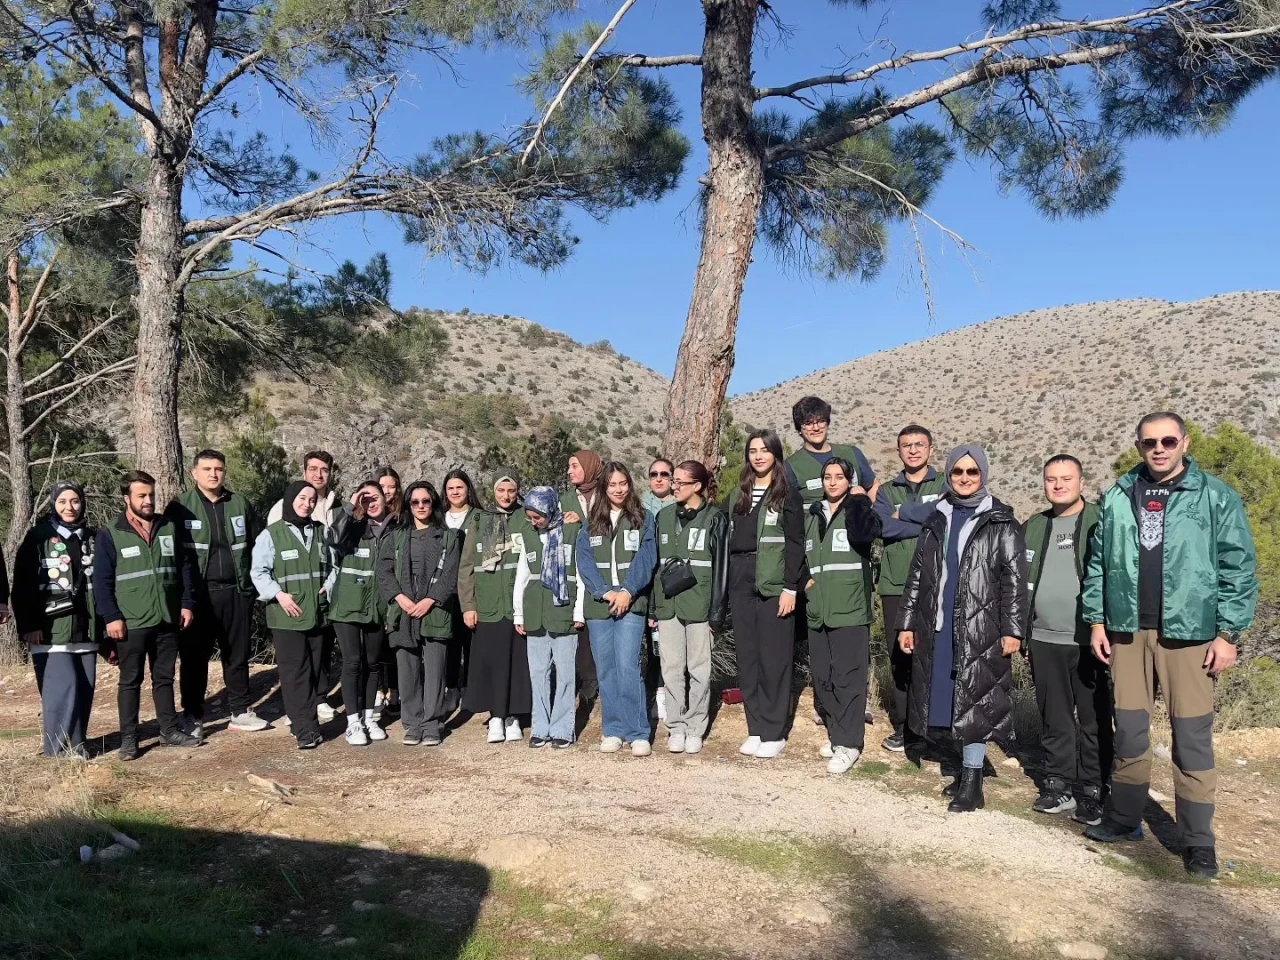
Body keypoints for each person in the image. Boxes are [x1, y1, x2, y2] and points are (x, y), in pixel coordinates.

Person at [1082, 413, 1257, 879]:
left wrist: (1228, 634)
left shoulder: (1215, 495)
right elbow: (1099, 561)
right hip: (1127, 631)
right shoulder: (1119, 495)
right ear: (1138, 446)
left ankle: (1198, 842)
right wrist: (1097, 619)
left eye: (1167, 441)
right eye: (1149, 443)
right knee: (1131, 733)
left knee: (1192, 739)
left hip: (1191, 634)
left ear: (1185, 442)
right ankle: (1123, 819)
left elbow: (1238, 567)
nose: (1158, 449)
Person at [896, 445, 1027, 813]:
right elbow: (918, 574)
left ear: (983, 474)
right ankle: (964, 769)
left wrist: (1012, 629)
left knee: (976, 703)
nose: (965, 478)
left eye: (972, 472)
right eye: (958, 472)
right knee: (950, 700)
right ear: (949, 475)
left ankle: (972, 783)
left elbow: (1014, 581)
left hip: (981, 629)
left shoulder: (1001, 521)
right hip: (937, 627)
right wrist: (906, 622)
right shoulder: (938, 518)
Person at [1022, 455, 1111, 826]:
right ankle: (1058, 783)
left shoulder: (1098, 523)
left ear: (1081, 482)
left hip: (1089, 640)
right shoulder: (1034, 527)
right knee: (1055, 717)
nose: (1058, 485)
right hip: (1043, 638)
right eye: (1051, 479)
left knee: (1093, 719)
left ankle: (1093, 790)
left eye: (1066, 478)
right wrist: (1022, 633)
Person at [94, 471, 199, 760]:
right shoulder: (110, 533)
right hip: (131, 621)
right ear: (126, 498)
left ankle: (169, 730)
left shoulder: (168, 527)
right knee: (130, 681)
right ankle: (130, 739)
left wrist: (187, 603)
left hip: (167, 617)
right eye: (141, 495)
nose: (148, 500)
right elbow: (101, 581)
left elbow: (185, 567)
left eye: (151, 495)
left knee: (164, 678)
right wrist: (111, 616)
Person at [168, 449, 266, 739]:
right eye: (207, 468)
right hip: (197, 596)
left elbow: (257, 544)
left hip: (235, 591)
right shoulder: (180, 507)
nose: (214, 474)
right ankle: (193, 715)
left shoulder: (239, 504)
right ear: (194, 473)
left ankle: (240, 711)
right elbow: (170, 554)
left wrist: (252, 589)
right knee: (194, 658)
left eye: (219, 469)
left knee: (237, 655)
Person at [729, 429, 806, 759]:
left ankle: (775, 732)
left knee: (774, 659)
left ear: (776, 454)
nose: (758, 455)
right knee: (748, 659)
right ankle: (756, 728)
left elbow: (796, 543)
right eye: (752, 450)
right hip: (741, 581)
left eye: (764, 450)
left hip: (775, 584)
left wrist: (791, 587)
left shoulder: (787, 493)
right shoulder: (738, 494)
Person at [804, 458, 882, 773]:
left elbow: (866, 536)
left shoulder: (857, 511)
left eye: (839, 477)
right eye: (827, 476)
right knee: (823, 679)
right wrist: (802, 582)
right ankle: (838, 735)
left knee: (848, 680)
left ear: (849, 481)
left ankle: (849, 744)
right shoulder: (813, 516)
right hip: (818, 609)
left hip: (850, 609)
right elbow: (799, 554)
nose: (833, 482)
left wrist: (861, 500)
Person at [577, 462, 658, 757]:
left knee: (628, 666)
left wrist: (627, 592)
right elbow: (584, 562)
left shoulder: (643, 519)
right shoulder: (591, 523)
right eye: (612, 485)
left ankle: (638, 732)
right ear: (604, 488)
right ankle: (612, 730)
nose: (618, 489)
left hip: (631, 604)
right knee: (607, 669)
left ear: (629, 485)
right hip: (599, 607)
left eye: (623, 483)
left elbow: (647, 559)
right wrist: (604, 592)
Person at [13, 482, 100, 758]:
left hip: (86, 628)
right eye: (63, 502)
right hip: (51, 630)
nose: (69, 507)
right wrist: (29, 626)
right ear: (53, 504)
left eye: (74, 501)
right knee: (61, 690)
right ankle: (57, 751)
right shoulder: (37, 537)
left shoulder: (93, 536)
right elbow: (23, 584)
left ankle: (77, 745)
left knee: (84, 689)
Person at [873, 426, 945, 753]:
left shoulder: (945, 483)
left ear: (930, 449)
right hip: (895, 585)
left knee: (938, 656)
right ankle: (906, 728)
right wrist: (924, 518)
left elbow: (948, 517)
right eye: (906, 445)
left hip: (939, 584)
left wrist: (906, 514)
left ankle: (937, 728)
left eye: (919, 444)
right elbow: (884, 526)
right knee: (901, 659)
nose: (913, 450)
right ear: (898, 451)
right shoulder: (887, 490)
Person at [650, 460, 728, 754]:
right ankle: (676, 726)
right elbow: (656, 567)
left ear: (697, 486)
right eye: (674, 481)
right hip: (668, 606)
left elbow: (722, 569)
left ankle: (696, 727)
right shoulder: (663, 517)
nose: (674, 486)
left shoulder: (715, 519)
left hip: (700, 607)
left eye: (680, 482)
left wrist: (716, 614)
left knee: (699, 670)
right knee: (671, 669)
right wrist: (654, 610)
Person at [251, 481, 335, 749]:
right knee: (295, 672)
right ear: (290, 499)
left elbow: (336, 565)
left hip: (317, 613)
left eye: (312, 500)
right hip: (287, 616)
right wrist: (278, 594)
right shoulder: (271, 535)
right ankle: (304, 730)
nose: (307, 503)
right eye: (302, 498)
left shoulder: (322, 532)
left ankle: (307, 722)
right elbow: (258, 571)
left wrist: (329, 586)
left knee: (314, 672)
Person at [378, 480, 460, 747]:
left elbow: (451, 574)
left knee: (436, 670)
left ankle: (433, 724)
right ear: (408, 504)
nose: (421, 506)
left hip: (435, 610)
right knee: (407, 670)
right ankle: (412, 723)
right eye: (415, 502)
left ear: (433, 503)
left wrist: (430, 600)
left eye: (426, 501)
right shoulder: (395, 537)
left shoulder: (449, 537)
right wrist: (401, 599)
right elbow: (384, 572)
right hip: (404, 611)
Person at [459, 469, 533, 743]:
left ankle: (514, 716)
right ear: (493, 491)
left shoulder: (526, 517)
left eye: (511, 490)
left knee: (517, 662)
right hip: (488, 604)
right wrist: (468, 605)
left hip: (518, 605)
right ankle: (496, 717)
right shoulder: (480, 520)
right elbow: (466, 566)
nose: (506, 495)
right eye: (501, 490)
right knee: (491, 664)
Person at [513, 486, 585, 748]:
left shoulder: (572, 532)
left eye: (538, 517)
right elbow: (522, 575)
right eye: (530, 517)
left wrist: (579, 611)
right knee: (539, 673)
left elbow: (580, 573)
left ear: (550, 510)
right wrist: (518, 613)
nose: (534, 522)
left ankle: (563, 728)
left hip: (563, 610)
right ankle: (540, 726)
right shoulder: (529, 536)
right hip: (535, 612)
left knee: (565, 673)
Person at [328, 481, 396, 746]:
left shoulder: (395, 529)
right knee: (353, 662)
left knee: (373, 663)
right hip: (347, 607)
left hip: (377, 608)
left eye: (375, 497)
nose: (371, 502)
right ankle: (353, 722)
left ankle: (369, 718)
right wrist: (350, 507)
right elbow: (332, 539)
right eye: (365, 499)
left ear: (385, 499)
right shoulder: (352, 527)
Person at [784, 396, 876, 508]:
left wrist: (874, 515)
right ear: (799, 429)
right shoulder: (791, 466)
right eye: (808, 423)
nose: (816, 428)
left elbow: (873, 485)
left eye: (821, 421)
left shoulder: (852, 453)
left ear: (827, 424)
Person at [565, 450, 604, 704]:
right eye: (569, 467)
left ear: (589, 468)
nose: (570, 471)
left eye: (575, 466)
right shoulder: (565, 499)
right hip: (576, 568)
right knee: (580, 624)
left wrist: (583, 522)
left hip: (605, 567)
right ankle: (587, 678)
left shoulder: (606, 494)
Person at [443, 468, 481, 712]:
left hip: (472, 589)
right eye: (450, 488)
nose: (455, 492)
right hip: (444, 592)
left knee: (472, 642)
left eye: (460, 487)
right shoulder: (438, 518)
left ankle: (470, 688)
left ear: (468, 489)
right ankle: (451, 689)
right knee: (449, 642)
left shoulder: (479, 517)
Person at [374, 466, 404, 715]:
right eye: (382, 486)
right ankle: (377, 691)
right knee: (375, 643)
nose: (387, 491)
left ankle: (394, 691)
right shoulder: (368, 517)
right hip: (373, 587)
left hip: (397, 586)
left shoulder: (403, 518)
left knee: (394, 641)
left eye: (391, 486)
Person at [267, 451, 340, 528]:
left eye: (324, 470)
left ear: (330, 474)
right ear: (304, 473)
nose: (319, 475)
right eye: (313, 469)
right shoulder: (282, 508)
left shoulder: (342, 509)